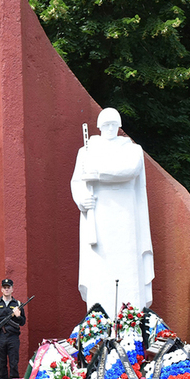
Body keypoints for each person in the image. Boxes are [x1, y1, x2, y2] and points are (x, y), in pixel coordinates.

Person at [70, 108, 154, 316]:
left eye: (113, 125)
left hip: (125, 214)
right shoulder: (86, 151)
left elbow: (129, 170)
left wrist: (97, 174)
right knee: (99, 268)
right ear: (98, 127)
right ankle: (98, 319)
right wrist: (82, 199)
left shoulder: (132, 149)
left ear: (119, 127)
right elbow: (77, 181)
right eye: (105, 125)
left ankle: (130, 318)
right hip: (98, 214)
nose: (109, 129)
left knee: (128, 267)